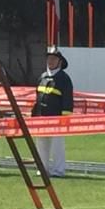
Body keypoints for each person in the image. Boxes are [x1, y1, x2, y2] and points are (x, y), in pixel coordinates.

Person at [30, 45, 73, 177]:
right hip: (41, 117)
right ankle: (43, 169)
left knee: (57, 146)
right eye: (49, 58)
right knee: (42, 144)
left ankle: (58, 170)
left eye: (54, 59)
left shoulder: (64, 79)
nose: (50, 61)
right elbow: (37, 97)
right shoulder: (42, 77)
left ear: (59, 61)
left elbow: (67, 100)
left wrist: (65, 118)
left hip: (56, 118)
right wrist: (34, 115)